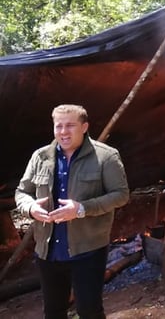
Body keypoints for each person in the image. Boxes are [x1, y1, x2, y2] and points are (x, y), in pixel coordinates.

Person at [15, 104, 130, 319]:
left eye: (70, 126)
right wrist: (30, 208)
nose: (63, 132)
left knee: (89, 310)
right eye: (58, 126)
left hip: (88, 250)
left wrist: (82, 209)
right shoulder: (40, 157)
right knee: (54, 310)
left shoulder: (106, 157)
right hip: (48, 251)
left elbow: (121, 195)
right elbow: (22, 191)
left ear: (84, 127)